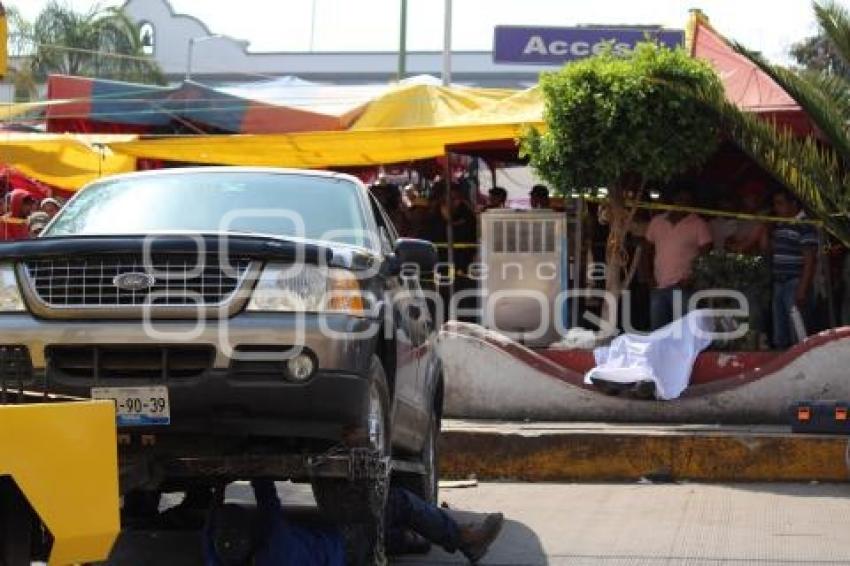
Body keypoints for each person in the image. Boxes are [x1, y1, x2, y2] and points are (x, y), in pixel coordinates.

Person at [204, 480, 504, 566]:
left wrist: (214, 493)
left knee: (382, 537)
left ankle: (412, 540)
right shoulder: (276, 550)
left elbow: (210, 538)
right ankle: (464, 541)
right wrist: (256, 469)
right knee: (397, 502)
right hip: (345, 544)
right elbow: (268, 500)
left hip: (341, 552)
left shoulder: (225, 555)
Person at [644, 187, 713, 330]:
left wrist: (693, 278)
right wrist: (648, 277)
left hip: (684, 286)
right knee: (658, 333)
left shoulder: (699, 224)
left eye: (688, 201)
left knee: (684, 332)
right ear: (673, 200)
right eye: (680, 199)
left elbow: (706, 256)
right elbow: (646, 251)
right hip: (659, 286)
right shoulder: (657, 222)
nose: (683, 203)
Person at [769, 192, 818, 348]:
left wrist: (802, 288)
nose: (776, 208)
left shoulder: (804, 225)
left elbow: (810, 260)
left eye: (780, 203)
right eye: (775, 204)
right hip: (779, 283)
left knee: (797, 332)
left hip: (794, 283)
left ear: (794, 204)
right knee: (780, 333)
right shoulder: (781, 223)